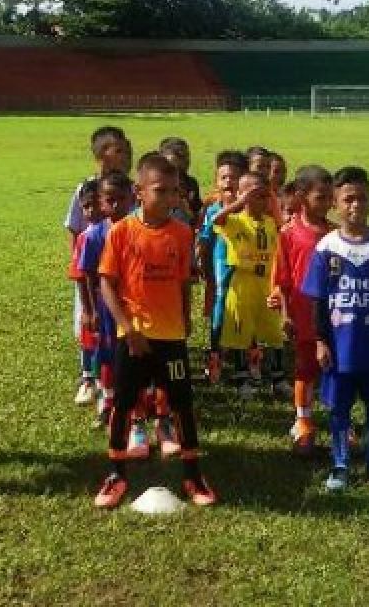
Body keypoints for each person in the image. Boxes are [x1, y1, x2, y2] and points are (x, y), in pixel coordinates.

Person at [94, 153, 217, 509]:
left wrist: (185, 319)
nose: (169, 200)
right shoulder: (121, 232)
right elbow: (107, 284)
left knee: (181, 403)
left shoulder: (181, 233)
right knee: (124, 402)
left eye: (175, 192)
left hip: (171, 337)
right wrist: (127, 327)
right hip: (132, 337)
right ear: (139, 191)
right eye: (160, 191)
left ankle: (193, 474)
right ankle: (116, 474)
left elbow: (182, 283)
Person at [302, 166, 369, 492]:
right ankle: (340, 465)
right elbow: (319, 301)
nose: (355, 205)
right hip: (339, 347)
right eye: (348, 199)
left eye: (361, 198)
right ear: (335, 203)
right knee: (339, 408)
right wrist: (321, 341)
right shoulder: (326, 248)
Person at [270, 166, 334, 453]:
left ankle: (340, 420)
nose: (328, 204)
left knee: (336, 368)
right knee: (305, 367)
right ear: (301, 196)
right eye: (321, 197)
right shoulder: (288, 234)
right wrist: (284, 313)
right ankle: (303, 422)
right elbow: (282, 279)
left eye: (330, 198)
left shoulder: (336, 234)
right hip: (303, 313)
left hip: (334, 314)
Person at [65, 126, 130, 404]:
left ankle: (118, 378)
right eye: (119, 150)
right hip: (91, 273)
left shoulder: (127, 188)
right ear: (102, 155)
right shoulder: (86, 189)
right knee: (89, 324)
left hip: (121, 278)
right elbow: (74, 228)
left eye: (127, 150)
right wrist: (80, 264)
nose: (125, 155)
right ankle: (88, 378)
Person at [212, 171, 291, 399]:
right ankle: (242, 378)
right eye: (255, 195)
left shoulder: (270, 223)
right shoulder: (235, 221)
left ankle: (277, 378)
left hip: (267, 282)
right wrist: (240, 202)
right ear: (242, 195)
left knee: (274, 331)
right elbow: (217, 220)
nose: (261, 200)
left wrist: (272, 199)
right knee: (240, 330)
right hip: (243, 282)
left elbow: (284, 230)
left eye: (265, 196)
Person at [72, 172, 134, 426]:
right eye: (110, 200)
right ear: (101, 201)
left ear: (132, 199)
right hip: (105, 305)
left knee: (131, 352)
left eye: (122, 199)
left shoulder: (137, 230)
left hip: (133, 304)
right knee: (106, 354)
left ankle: (136, 402)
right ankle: (107, 401)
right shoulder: (94, 235)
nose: (116, 205)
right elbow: (85, 273)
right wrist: (90, 310)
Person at [197, 150, 248, 384]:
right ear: (217, 181)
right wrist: (202, 263)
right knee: (220, 307)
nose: (228, 182)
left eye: (234, 177)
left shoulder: (250, 212)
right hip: (221, 267)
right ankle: (215, 356)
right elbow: (205, 240)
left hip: (246, 269)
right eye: (223, 177)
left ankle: (244, 361)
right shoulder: (213, 210)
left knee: (243, 309)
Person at [69, 179, 104, 406]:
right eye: (85, 207)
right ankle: (89, 379)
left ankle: (106, 388)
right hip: (94, 302)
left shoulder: (118, 232)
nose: (90, 211)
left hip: (115, 303)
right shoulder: (84, 238)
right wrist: (88, 309)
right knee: (89, 341)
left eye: (95, 205)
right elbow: (80, 277)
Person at [159, 136, 203, 226]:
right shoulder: (156, 185)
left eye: (186, 156)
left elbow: (197, 216)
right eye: (178, 157)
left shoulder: (191, 183)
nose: (184, 161)